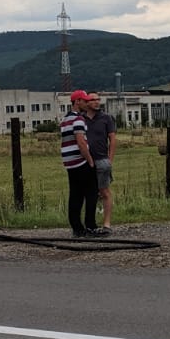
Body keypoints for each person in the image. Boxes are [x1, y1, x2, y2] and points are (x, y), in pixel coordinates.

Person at [59, 89, 99, 238]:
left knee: (75, 194)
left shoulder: (65, 119)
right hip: (80, 160)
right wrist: (90, 161)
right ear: (77, 102)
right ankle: (90, 226)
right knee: (91, 193)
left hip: (69, 162)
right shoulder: (78, 119)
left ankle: (77, 227)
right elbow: (81, 142)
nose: (87, 103)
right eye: (85, 101)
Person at [84, 93, 117, 234]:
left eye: (98, 99)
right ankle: (90, 224)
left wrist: (110, 159)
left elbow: (113, 139)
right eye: (93, 100)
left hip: (101, 159)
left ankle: (107, 224)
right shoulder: (81, 119)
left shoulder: (106, 118)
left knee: (104, 191)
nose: (97, 102)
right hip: (85, 161)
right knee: (89, 193)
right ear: (86, 102)